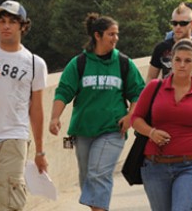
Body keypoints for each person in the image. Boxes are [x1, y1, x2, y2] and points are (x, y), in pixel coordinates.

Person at [49, 13, 144, 211]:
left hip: (112, 129)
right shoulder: (79, 63)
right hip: (84, 130)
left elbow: (138, 93)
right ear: (97, 35)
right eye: (111, 34)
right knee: (87, 177)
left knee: (99, 172)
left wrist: (130, 116)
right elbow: (64, 91)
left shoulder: (124, 63)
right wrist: (55, 117)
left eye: (117, 34)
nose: (115, 38)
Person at [0, 0, 48, 211]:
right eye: (2, 21)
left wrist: (40, 151)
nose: (6, 26)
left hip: (15, 138)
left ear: (23, 26)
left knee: (9, 203)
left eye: (12, 22)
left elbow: (36, 109)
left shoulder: (35, 63)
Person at [131, 39, 192, 210]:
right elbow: (136, 119)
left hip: (191, 165)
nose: (182, 65)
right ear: (171, 61)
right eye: (177, 60)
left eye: (188, 60)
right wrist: (151, 132)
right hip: (155, 165)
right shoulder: (155, 87)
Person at [147, 3, 192, 87]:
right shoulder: (161, 48)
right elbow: (151, 78)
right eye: (174, 23)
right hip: (165, 97)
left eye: (183, 23)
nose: (178, 27)